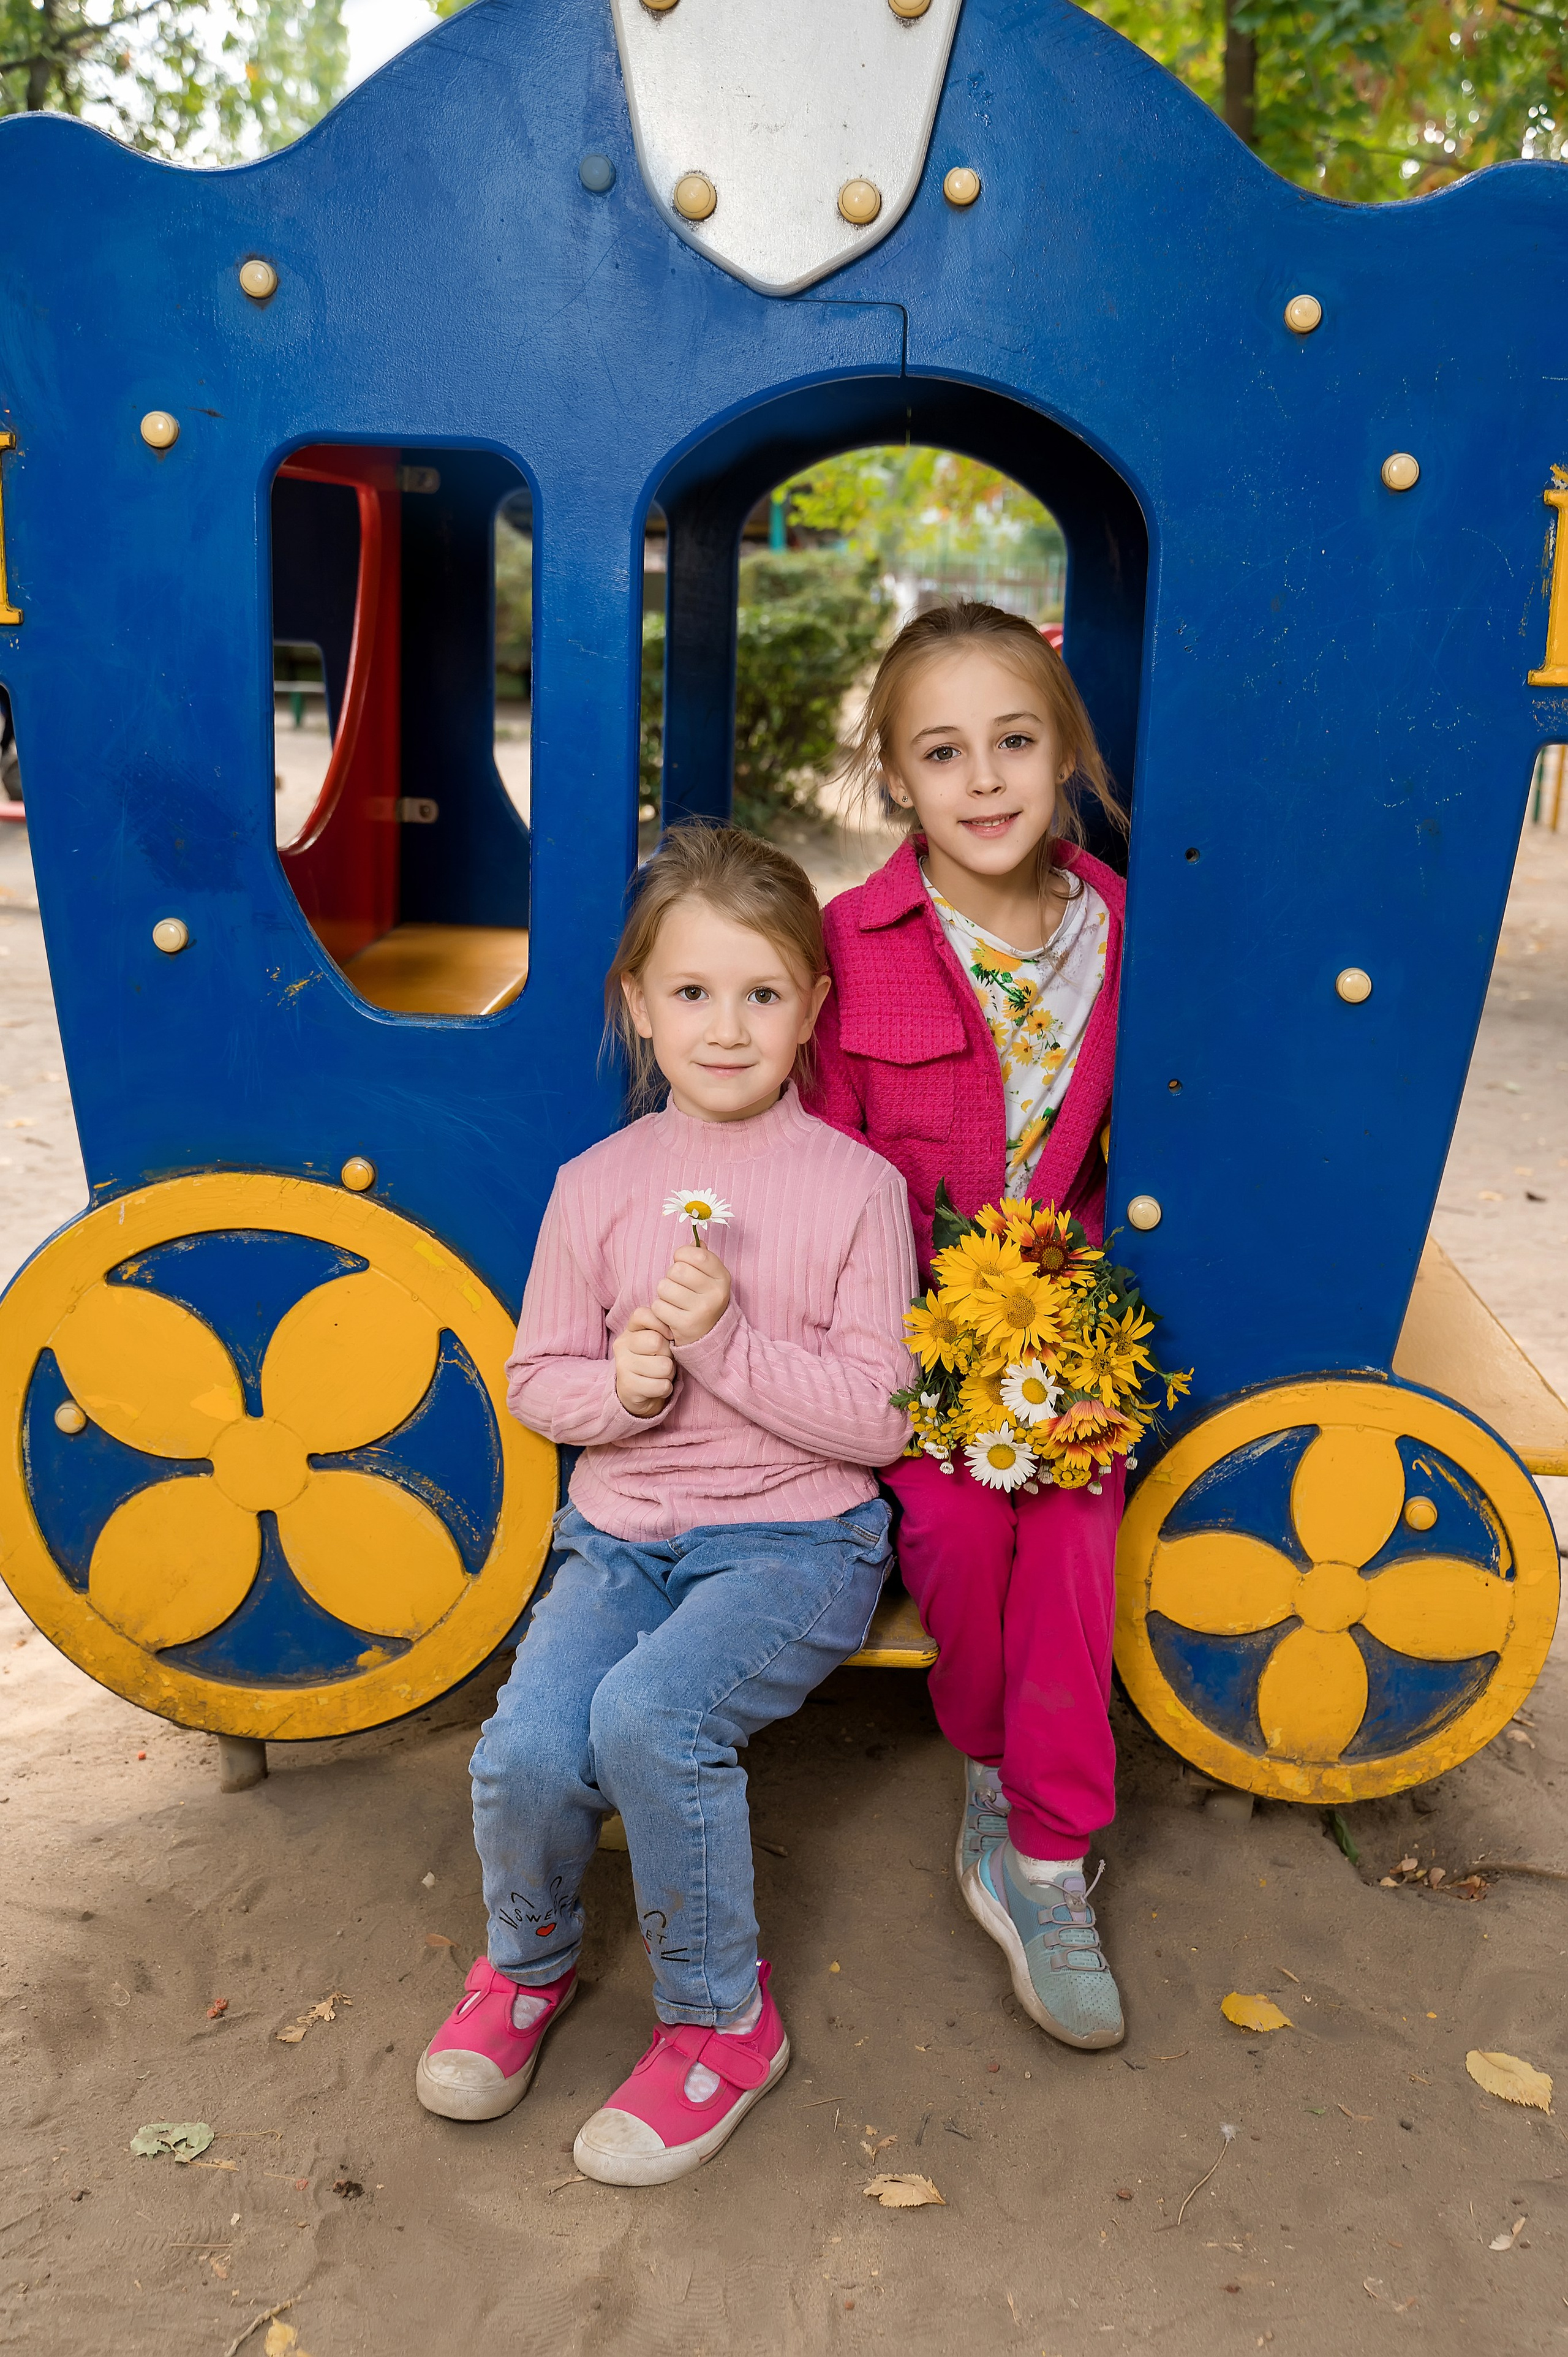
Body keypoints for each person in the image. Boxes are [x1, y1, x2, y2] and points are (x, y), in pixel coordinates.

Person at [417, 824, 917, 2182]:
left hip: (795, 1539)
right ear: (637, 1005)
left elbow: (881, 1417)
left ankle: (719, 2023)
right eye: (691, 992)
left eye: (762, 992)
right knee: (528, 1746)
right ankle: (525, 1967)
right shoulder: (597, 1186)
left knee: (649, 1717)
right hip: (622, 1532)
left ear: (812, 1007)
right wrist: (627, 1385)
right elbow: (538, 1379)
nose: (726, 1024)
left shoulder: (858, 1191)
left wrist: (718, 1350)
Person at [803, 602, 1130, 2051]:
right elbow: (819, 1171)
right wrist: (895, 1347)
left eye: (1013, 740)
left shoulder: (1124, 923)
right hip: (908, 1328)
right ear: (896, 777)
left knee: (1071, 1528)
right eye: (943, 753)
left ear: (1065, 752)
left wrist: (1072, 1338)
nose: (983, 779)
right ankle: (989, 1766)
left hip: (1061, 1321)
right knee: (949, 1532)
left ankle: (1045, 1854)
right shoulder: (849, 943)